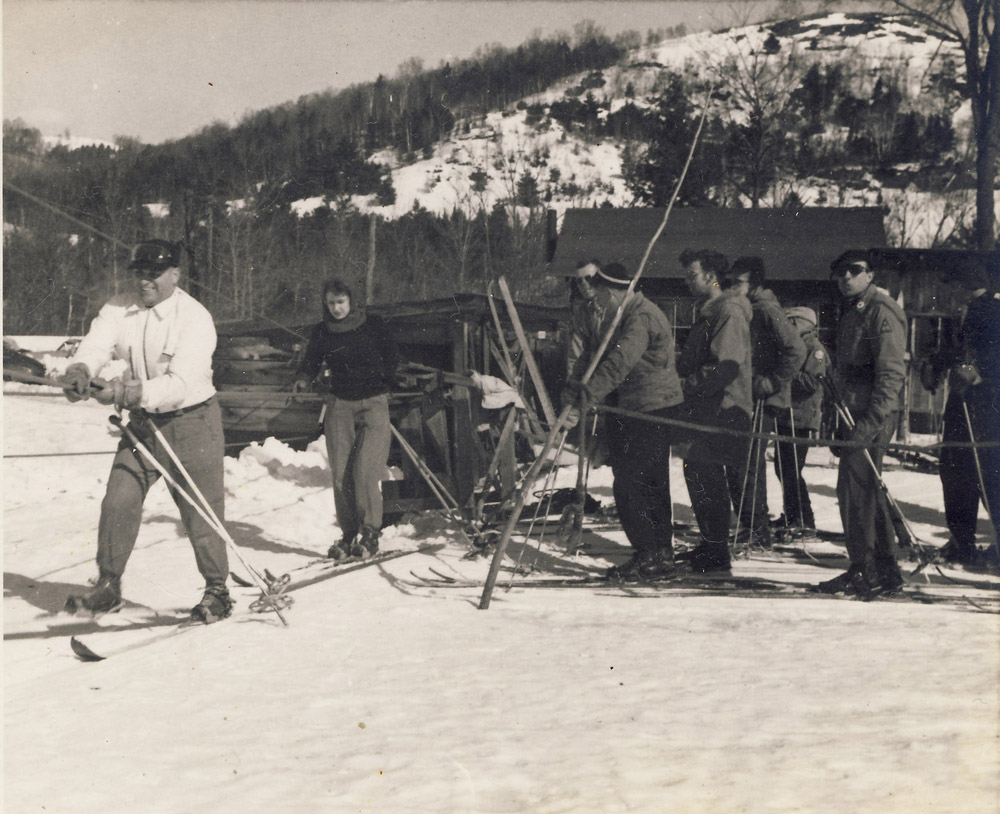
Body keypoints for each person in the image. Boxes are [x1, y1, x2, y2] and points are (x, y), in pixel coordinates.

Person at [60, 239, 231, 622]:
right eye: (139, 273)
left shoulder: (194, 318)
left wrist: (128, 391)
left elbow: (181, 383)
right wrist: (81, 370)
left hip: (192, 423)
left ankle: (217, 590)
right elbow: (96, 343)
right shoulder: (120, 308)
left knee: (200, 514)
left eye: (153, 274)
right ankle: (108, 586)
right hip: (143, 426)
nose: (144, 281)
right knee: (118, 499)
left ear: (174, 274)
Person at [562, 260, 684, 580]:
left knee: (633, 483)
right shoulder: (621, 314)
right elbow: (592, 356)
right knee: (648, 482)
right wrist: (575, 391)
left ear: (616, 291)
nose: (598, 301)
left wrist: (585, 400)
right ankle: (658, 552)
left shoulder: (639, 317)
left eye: (602, 294)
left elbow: (618, 364)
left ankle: (649, 553)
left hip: (648, 408)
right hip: (636, 407)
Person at [814, 250, 907, 598]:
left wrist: (869, 422)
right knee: (865, 489)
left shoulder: (881, 313)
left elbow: (890, 374)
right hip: (851, 411)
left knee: (855, 491)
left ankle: (865, 569)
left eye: (855, 271)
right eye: (840, 273)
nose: (846, 278)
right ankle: (884, 568)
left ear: (871, 275)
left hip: (871, 415)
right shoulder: (853, 312)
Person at [294, 278, 399, 561]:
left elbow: (392, 356)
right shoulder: (323, 331)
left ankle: (370, 532)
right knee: (341, 474)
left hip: (373, 404)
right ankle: (349, 533)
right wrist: (304, 379)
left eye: (341, 302)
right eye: (331, 303)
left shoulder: (373, 324)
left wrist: (385, 380)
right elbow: (311, 361)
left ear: (351, 301)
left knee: (365, 472)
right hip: (340, 404)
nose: (337, 308)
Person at [673, 249, 754, 572]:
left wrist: (684, 386)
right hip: (706, 410)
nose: (687, 282)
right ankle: (711, 544)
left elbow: (724, 367)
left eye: (692, 276)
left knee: (708, 476)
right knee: (699, 473)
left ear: (711, 277)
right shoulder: (711, 312)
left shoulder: (729, 312)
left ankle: (717, 552)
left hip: (722, 409)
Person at [718, 257, 806, 548]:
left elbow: (796, 349)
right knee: (744, 461)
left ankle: (756, 529)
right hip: (751, 394)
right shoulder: (747, 308)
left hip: (764, 398)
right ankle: (754, 526)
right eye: (728, 282)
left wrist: (773, 380)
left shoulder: (767, 309)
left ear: (755, 284)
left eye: (737, 282)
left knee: (747, 463)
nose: (731, 287)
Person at [919, 258, 1000, 566]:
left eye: (951, 286)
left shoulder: (993, 310)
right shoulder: (965, 312)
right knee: (955, 473)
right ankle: (961, 542)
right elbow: (958, 350)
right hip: (961, 408)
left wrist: (979, 373)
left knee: (990, 476)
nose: (949, 293)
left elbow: (988, 357)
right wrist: (936, 366)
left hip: (987, 411)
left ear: (962, 284)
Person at [772, 307, 831, 534]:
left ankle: (804, 520)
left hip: (802, 418)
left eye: (793, 323)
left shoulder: (814, 349)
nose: (789, 328)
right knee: (783, 468)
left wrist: (785, 375)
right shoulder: (794, 348)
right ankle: (792, 516)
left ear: (806, 323)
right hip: (788, 417)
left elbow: (810, 383)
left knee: (792, 470)